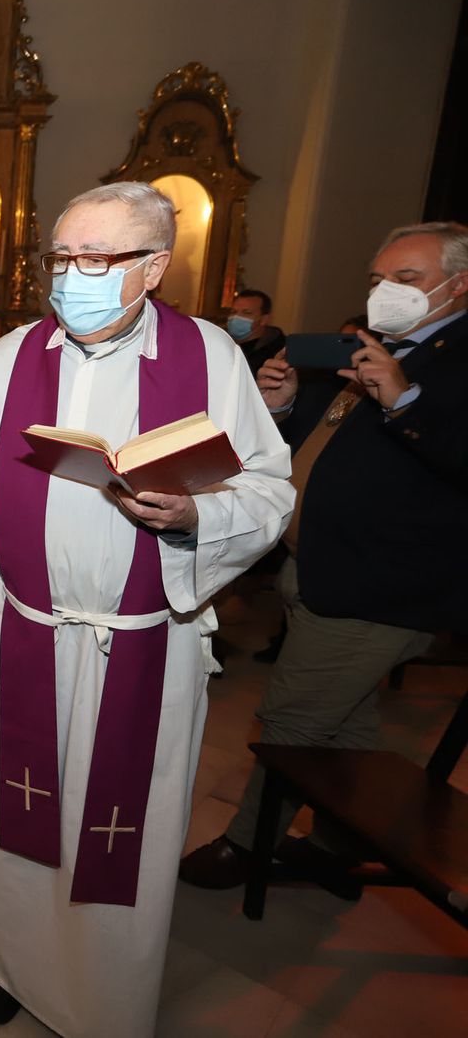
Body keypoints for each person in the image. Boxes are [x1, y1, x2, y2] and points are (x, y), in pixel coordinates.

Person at [0, 182, 292, 1037]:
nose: (70, 276)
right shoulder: (12, 356)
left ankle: (98, 980)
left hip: (140, 641)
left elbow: (266, 489)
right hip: (17, 631)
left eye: (96, 258)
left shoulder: (209, 359)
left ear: (154, 266)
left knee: (110, 822)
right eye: (60, 257)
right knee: (5, 806)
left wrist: (199, 515)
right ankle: (5, 957)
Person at [180, 221, 468, 889]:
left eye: (406, 279)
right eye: (377, 279)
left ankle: (248, 845)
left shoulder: (451, 360)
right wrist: (283, 407)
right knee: (343, 725)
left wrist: (404, 397)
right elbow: (337, 442)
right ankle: (344, 843)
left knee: (293, 719)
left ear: (459, 284)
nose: (385, 292)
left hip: (379, 585)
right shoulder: (383, 346)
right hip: (318, 567)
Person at [224, 288, 285, 375]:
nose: (236, 317)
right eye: (233, 312)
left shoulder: (277, 353)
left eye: (247, 313)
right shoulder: (221, 343)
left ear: (264, 319)